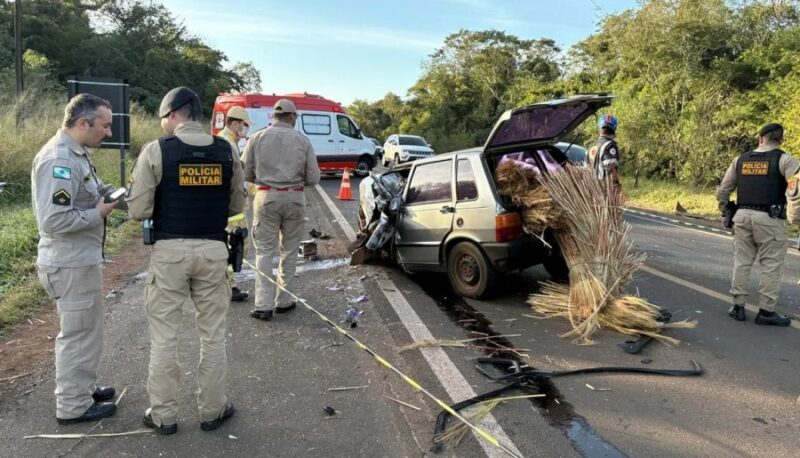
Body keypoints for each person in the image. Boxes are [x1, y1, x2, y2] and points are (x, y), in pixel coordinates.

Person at [126, 87, 246, 434]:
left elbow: (138, 210)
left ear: (173, 114)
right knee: (213, 336)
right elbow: (236, 206)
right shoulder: (226, 151)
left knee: (165, 337)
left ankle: (163, 416)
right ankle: (212, 411)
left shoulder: (157, 151)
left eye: (163, 117)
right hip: (212, 250)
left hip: (170, 253)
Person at [31, 93, 123, 424]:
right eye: (105, 125)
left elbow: (92, 189)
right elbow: (53, 221)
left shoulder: (77, 154)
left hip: (78, 260)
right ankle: (72, 405)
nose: (109, 133)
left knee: (88, 330)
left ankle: (82, 388)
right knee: (78, 334)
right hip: (68, 262)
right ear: (82, 123)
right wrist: (98, 213)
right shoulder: (60, 161)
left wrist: (116, 196)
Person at [242, 99, 320, 321]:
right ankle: (284, 301)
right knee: (290, 251)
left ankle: (263, 305)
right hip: (295, 198)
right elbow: (314, 177)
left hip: (266, 197)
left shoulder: (256, 138)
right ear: (292, 117)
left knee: (265, 252)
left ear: (273, 117)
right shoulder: (303, 141)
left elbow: (246, 173)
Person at [717, 123, 798, 327]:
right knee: (771, 265)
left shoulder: (740, 160)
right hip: (770, 220)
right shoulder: (785, 160)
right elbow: (795, 192)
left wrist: (725, 211)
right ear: (780, 140)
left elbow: (723, 191)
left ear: (760, 139)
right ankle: (766, 312)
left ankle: (737, 307)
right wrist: (795, 219)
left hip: (742, 217)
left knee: (742, 262)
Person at [218, 106, 251, 302]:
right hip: (231, 207)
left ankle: (227, 284)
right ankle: (227, 286)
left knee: (232, 245)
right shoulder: (226, 143)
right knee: (235, 245)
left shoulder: (227, 141)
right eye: (244, 126)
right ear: (235, 123)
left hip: (227, 204)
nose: (245, 130)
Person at [587, 114, 621, 186]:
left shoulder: (591, 146)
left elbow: (585, 168)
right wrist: (616, 185)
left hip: (591, 187)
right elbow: (611, 167)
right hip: (604, 188)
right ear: (614, 129)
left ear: (599, 129)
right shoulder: (609, 145)